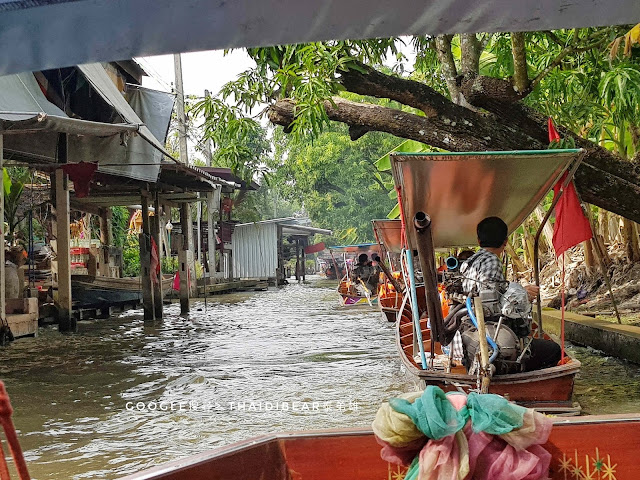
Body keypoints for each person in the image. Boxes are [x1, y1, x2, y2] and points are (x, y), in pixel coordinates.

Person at [460, 216, 561, 371]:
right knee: (553, 351)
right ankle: (526, 377)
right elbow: (489, 305)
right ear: (505, 242)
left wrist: (519, 291)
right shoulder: (492, 261)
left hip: (469, 326)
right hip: (489, 330)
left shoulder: (468, 263)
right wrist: (524, 294)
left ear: (479, 241)